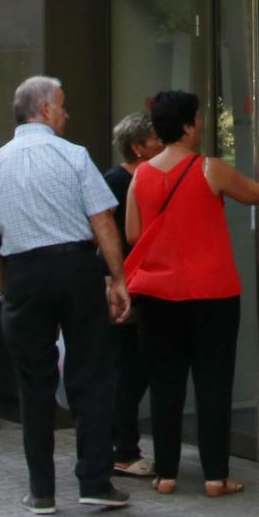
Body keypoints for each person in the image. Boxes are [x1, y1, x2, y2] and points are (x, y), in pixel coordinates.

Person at [123, 90, 259, 497]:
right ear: (187, 126)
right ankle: (215, 476)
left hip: (156, 294)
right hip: (212, 294)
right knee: (213, 384)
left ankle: (166, 474)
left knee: (165, 384)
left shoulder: (141, 175)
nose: (203, 124)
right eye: (200, 118)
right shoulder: (210, 169)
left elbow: (135, 235)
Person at [0, 76, 133, 516]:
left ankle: (41, 491)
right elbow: (103, 223)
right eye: (61, 106)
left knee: (34, 384)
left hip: (22, 273)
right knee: (91, 375)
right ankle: (95, 481)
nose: (66, 114)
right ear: (44, 111)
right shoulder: (74, 156)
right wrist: (117, 278)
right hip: (76, 268)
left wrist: (7, 286)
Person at [103, 111, 161, 478]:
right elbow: (102, 234)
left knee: (135, 369)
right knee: (129, 370)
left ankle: (120, 446)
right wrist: (111, 281)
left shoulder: (148, 178)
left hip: (145, 284)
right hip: (127, 287)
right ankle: (122, 450)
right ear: (138, 147)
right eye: (156, 139)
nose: (162, 144)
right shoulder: (115, 182)